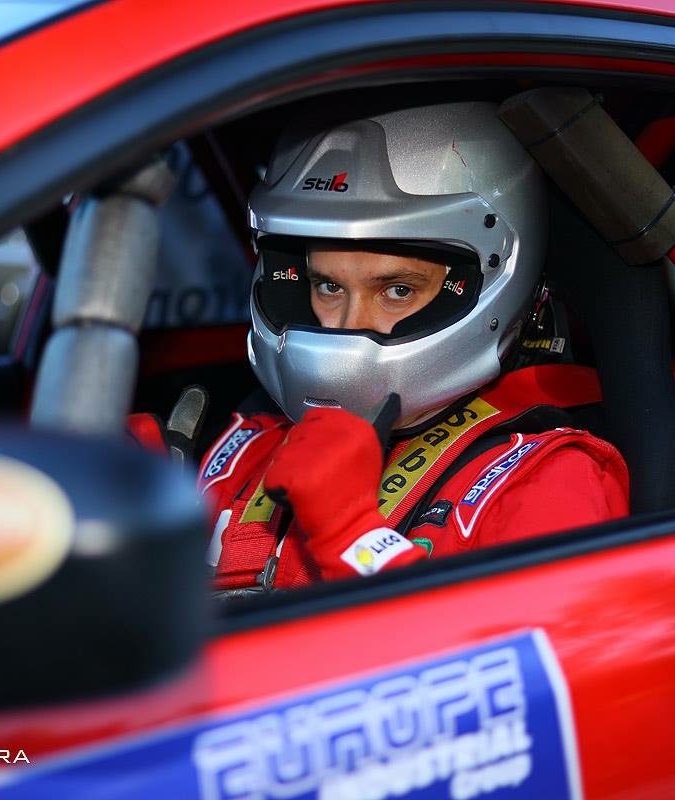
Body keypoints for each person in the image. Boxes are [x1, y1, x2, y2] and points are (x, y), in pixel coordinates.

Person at [191, 101, 629, 594]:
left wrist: (356, 540)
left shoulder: (544, 480)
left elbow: (538, 641)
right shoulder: (246, 448)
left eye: (397, 290)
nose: (348, 326)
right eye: (328, 286)